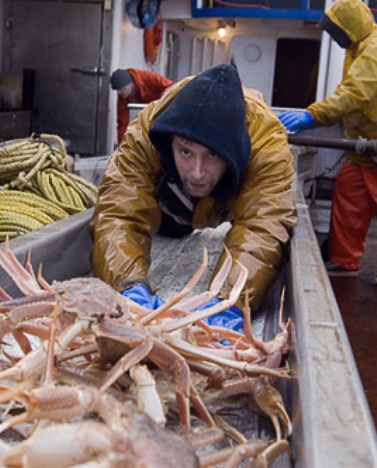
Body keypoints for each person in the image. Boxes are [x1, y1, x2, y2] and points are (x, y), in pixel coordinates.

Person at [92, 64, 297, 332]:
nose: (197, 172)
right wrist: (127, 285)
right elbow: (119, 210)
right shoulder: (148, 131)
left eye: (212, 154)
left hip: (227, 205)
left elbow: (264, 225)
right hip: (174, 207)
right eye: (185, 152)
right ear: (169, 144)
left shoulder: (266, 145)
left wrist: (229, 300)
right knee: (167, 225)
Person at [278, 0, 377, 290]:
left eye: (337, 33)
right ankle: (344, 260)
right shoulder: (358, 46)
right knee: (348, 198)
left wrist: (312, 116)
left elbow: (354, 93)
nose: (335, 39)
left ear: (350, 27)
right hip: (364, 145)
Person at [110, 68, 175, 146]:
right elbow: (123, 124)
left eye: (122, 89)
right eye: (117, 90)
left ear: (131, 83)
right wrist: (122, 148)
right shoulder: (123, 97)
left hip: (164, 112)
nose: (119, 93)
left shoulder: (150, 77)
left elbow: (174, 88)